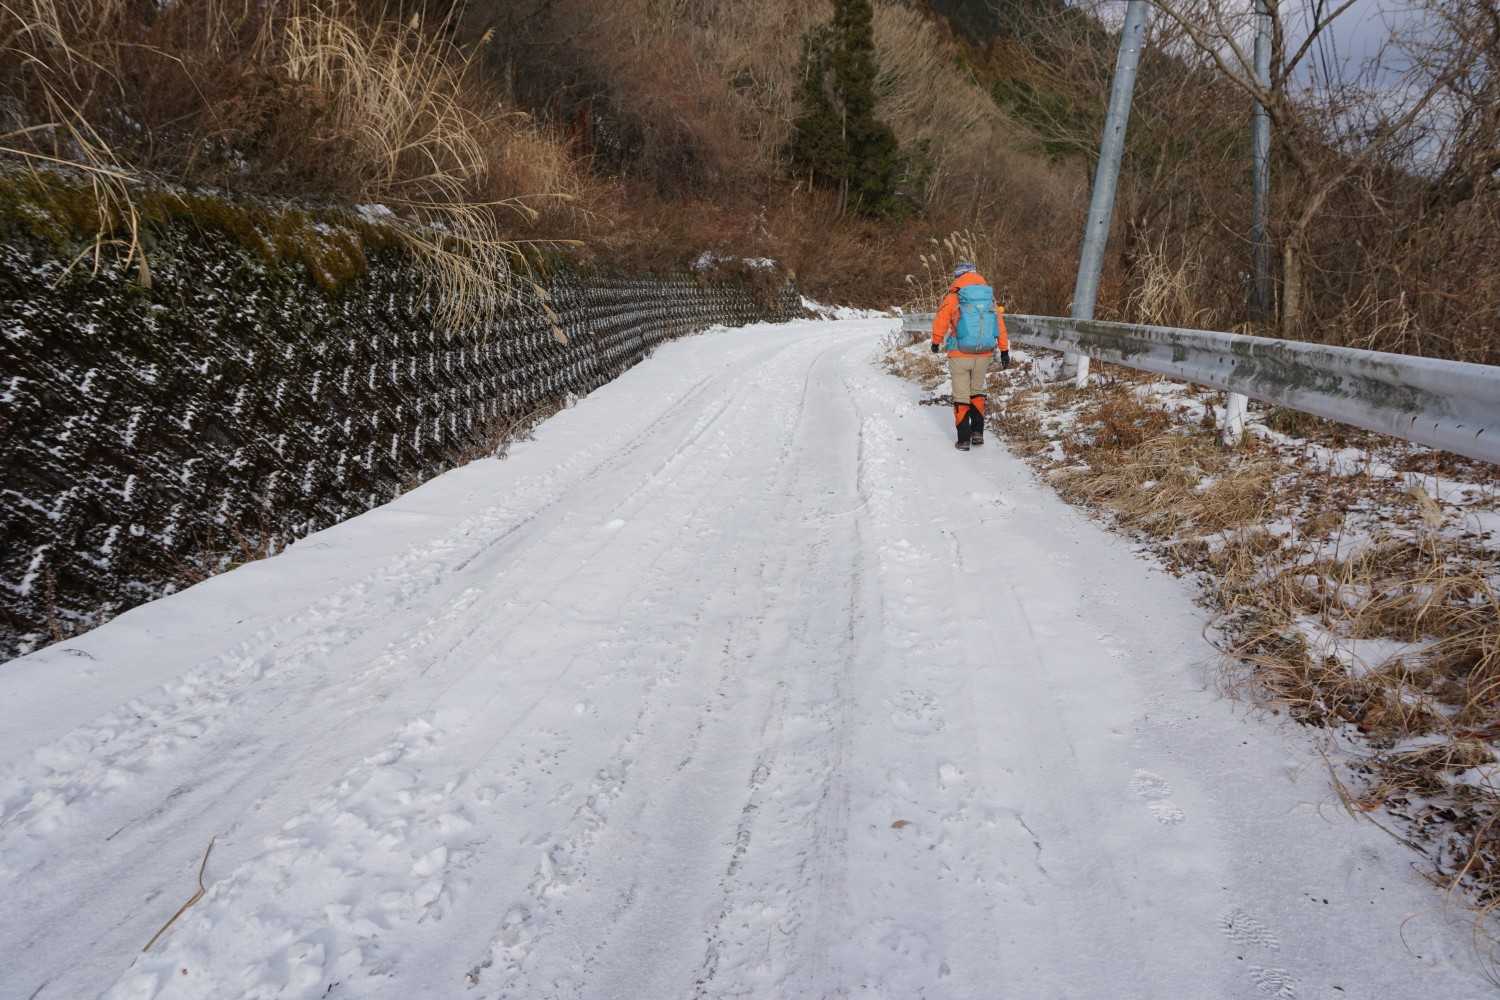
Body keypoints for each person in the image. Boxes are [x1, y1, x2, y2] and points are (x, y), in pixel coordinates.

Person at [930, 262, 1010, 451]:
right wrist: (1004, 350)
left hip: (959, 353)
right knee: (977, 391)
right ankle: (977, 433)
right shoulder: (988, 297)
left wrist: (936, 341)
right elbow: (999, 324)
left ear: (958, 276)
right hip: (984, 353)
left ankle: (964, 440)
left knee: (961, 394)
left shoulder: (954, 295)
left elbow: (941, 319)